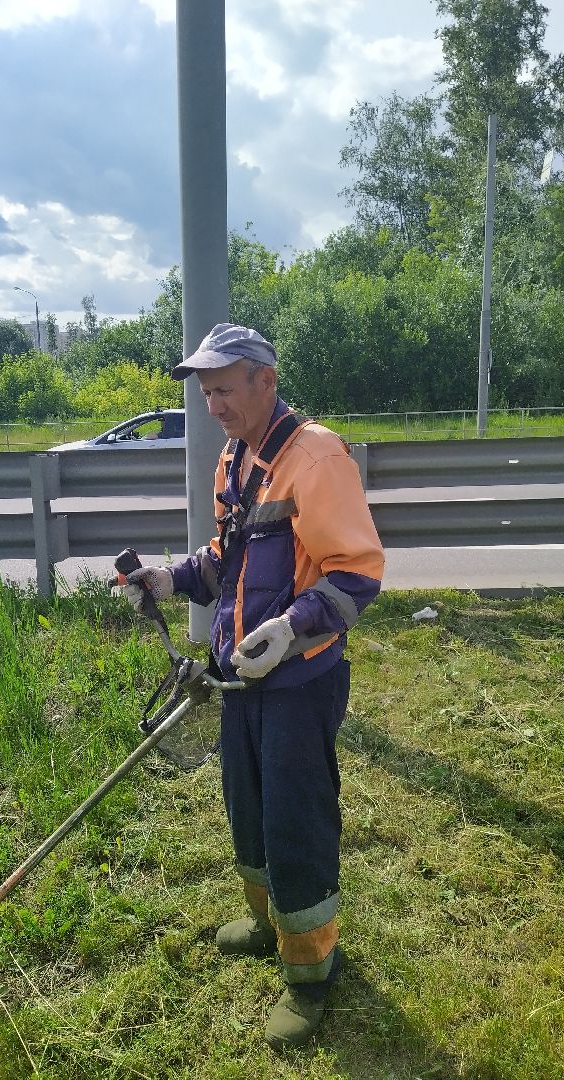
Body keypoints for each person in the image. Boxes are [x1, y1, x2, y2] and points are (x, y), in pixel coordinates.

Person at [122, 323, 384, 1049]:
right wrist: (168, 580)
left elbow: (357, 574)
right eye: (204, 392)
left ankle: (309, 973)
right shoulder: (236, 460)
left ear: (266, 383)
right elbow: (224, 557)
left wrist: (293, 629)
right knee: (249, 808)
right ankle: (271, 924)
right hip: (238, 680)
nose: (211, 405)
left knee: (295, 823)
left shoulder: (318, 458)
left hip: (298, 683)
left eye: (223, 389)